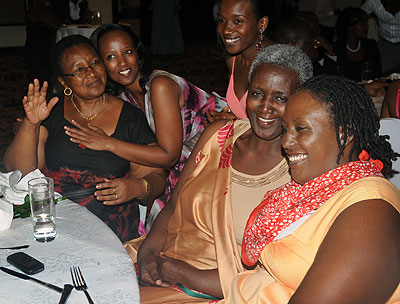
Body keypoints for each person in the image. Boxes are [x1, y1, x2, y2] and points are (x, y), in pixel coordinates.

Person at [136, 44, 313, 303]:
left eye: (280, 98)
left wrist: (184, 273)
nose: (264, 108)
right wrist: (146, 255)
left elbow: (273, 280)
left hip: (216, 291)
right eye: (257, 93)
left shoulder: (299, 171)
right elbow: (173, 206)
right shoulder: (217, 136)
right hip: (160, 262)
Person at [223, 74, 400, 303]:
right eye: (286, 129)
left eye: (301, 128)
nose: (286, 142)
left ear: (344, 133)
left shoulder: (371, 211)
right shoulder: (317, 190)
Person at [4, 35, 166, 243]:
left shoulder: (130, 117)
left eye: (94, 63)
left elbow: (157, 177)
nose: (91, 73)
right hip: (54, 220)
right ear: (63, 81)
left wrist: (136, 187)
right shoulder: (51, 110)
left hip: (108, 226)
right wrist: (30, 124)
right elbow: (21, 173)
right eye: (79, 70)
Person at [88, 23, 226, 232]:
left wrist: (108, 144)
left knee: (157, 226)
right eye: (111, 57)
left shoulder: (159, 85)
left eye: (127, 52)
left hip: (219, 157)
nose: (123, 63)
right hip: (185, 165)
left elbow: (169, 155)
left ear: (138, 53)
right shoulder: (124, 99)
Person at [209, 0, 275, 120]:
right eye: (221, 21)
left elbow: (283, 126)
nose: (226, 30)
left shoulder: (276, 65)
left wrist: (237, 123)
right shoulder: (232, 60)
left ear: (262, 23)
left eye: (237, 21)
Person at [334, 7, 382, 82]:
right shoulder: (337, 49)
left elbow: (378, 75)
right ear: (350, 27)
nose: (367, 26)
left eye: (367, 23)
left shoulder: (370, 46)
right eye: (363, 23)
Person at [361, 0, 400, 74]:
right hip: (384, 44)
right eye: (385, 4)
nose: (388, 8)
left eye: (391, 3)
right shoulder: (372, 2)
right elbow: (359, 16)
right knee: (382, 73)